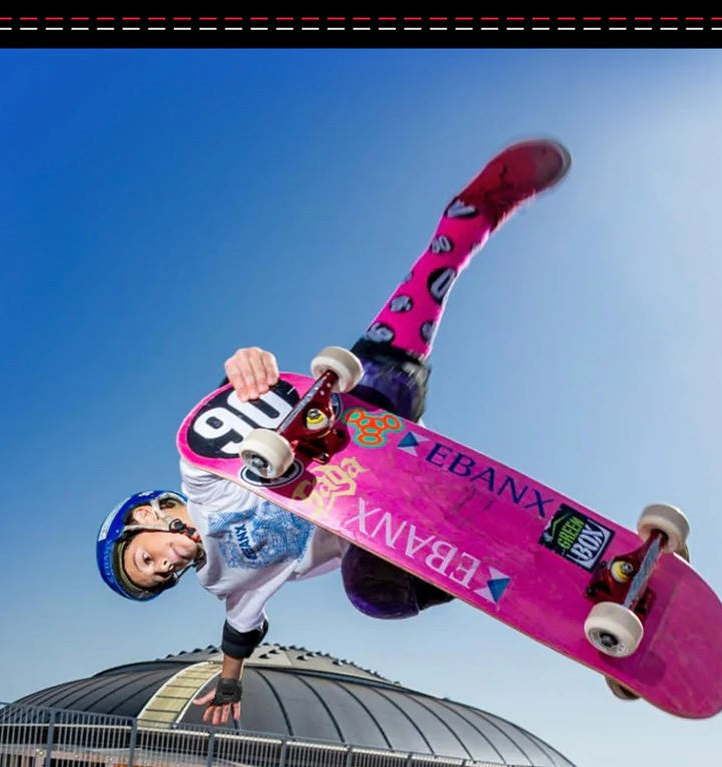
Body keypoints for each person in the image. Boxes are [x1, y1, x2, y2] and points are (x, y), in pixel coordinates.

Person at [97, 139, 572, 724]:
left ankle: (465, 225)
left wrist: (245, 368)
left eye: (145, 561)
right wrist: (228, 684)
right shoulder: (222, 583)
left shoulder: (201, 477)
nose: (164, 568)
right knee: (373, 596)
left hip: (358, 432)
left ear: (142, 520)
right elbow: (239, 631)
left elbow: (224, 415)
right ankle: (529, 574)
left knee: (372, 383)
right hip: (388, 531)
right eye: (158, 580)